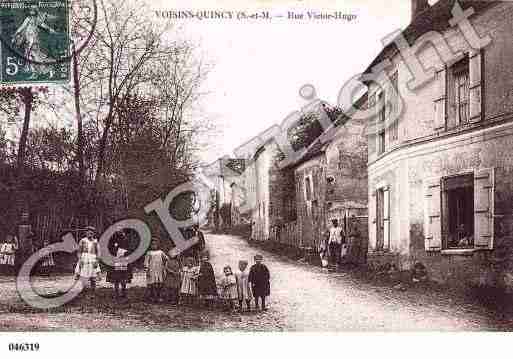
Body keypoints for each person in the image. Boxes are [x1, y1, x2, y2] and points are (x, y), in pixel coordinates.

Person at [74, 226, 101, 293]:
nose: (90, 233)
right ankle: (83, 291)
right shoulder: (83, 241)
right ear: (86, 233)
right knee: (83, 275)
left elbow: (99, 252)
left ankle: (93, 292)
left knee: (93, 276)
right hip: (84, 259)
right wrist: (80, 259)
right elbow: (79, 251)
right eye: (88, 231)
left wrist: (97, 261)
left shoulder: (95, 242)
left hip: (93, 259)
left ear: (94, 233)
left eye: (92, 232)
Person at [106, 234, 133, 299]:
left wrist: (126, 253)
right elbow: (109, 248)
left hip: (124, 260)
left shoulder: (126, 239)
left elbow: (130, 249)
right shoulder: (112, 238)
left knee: (124, 276)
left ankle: (124, 292)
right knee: (116, 277)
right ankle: (116, 293)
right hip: (115, 260)